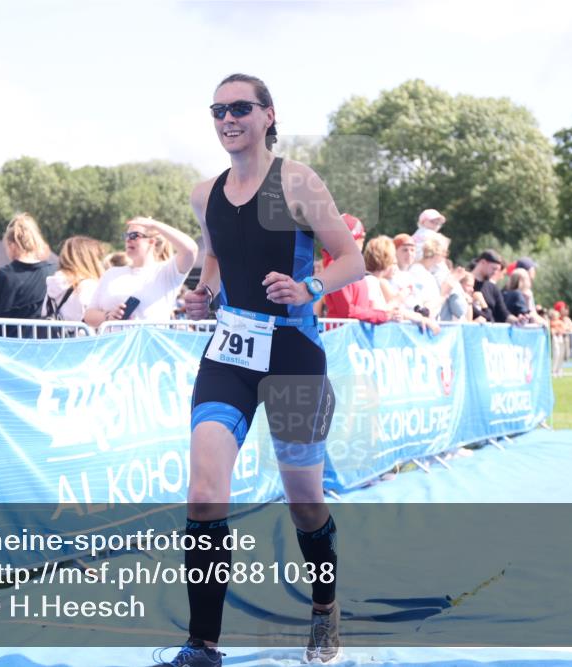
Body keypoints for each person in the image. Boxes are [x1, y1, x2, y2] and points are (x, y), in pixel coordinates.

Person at [168, 73, 365, 667]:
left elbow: (351, 259)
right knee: (205, 494)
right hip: (228, 355)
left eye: (240, 108)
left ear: (267, 115)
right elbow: (214, 257)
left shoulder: (297, 181)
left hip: (293, 356)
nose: (228, 119)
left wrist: (309, 287)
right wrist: (203, 294)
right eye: (218, 110)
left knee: (304, 501)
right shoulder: (204, 193)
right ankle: (203, 644)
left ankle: (325, 607)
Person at [83, 217, 197, 326]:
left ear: (151, 241)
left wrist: (155, 225)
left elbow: (190, 250)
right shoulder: (111, 273)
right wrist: (107, 316)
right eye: (126, 235)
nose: (128, 239)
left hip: (150, 340)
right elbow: (88, 315)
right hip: (115, 339)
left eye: (134, 235)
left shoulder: (166, 272)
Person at [0, 213, 57, 337]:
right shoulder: (52, 272)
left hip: (9, 344)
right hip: (44, 343)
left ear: (12, 246)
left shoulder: (4, 275)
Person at [42, 236, 105, 323]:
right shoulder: (89, 286)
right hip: (84, 332)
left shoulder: (53, 283)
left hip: (54, 331)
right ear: (91, 260)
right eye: (99, 258)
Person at [471, 249, 514, 324]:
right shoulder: (466, 283)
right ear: (483, 262)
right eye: (494, 269)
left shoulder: (493, 288)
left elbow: (503, 313)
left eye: (498, 270)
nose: (495, 273)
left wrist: (517, 320)